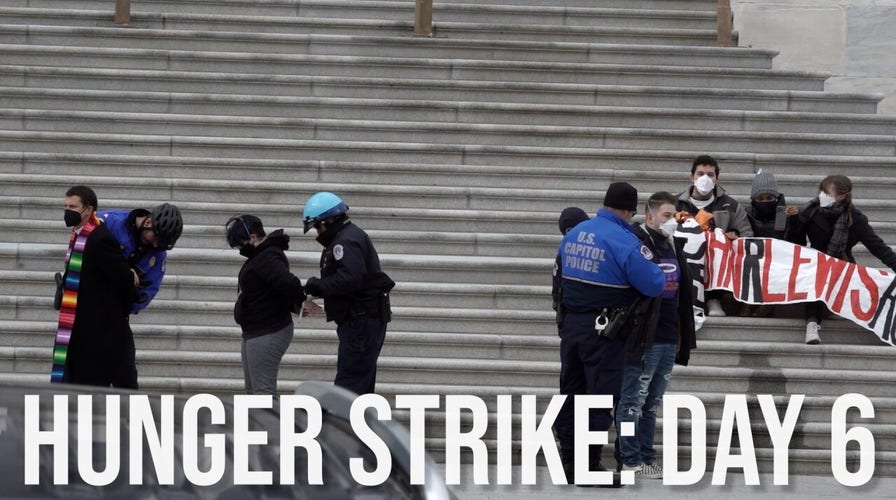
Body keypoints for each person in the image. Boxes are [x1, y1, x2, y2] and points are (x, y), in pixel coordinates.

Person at [553, 182, 666, 487]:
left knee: (572, 394)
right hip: (604, 331)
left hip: (572, 327)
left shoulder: (576, 233)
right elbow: (654, 283)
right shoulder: (624, 240)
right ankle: (588, 465)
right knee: (600, 397)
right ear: (629, 211)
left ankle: (569, 461)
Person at [615, 192, 697, 480]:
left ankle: (646, 457)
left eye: (674, 216)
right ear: (650, 216)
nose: (672, 221)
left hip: (668, 334)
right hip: (643, 336)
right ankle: (630, 459)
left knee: (651, 404)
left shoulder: (673, 244)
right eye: (666, 215)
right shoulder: (636, 243)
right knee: (632, 402)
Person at [301, 192, 395, 395]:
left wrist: (318, 286)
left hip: (360, 322)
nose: (317, 232)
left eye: (317, 226)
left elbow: (350, 279)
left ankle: (343, 418)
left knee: (349, 386)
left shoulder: (344, 242)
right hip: (363, 320)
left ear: (329, 220)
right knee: (360, 385)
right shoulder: (348, 236)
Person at [790, 175, 896, 344]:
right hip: (816, 264)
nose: (822, 195)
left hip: (842, 267)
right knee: (818, 274)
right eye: (822, 191)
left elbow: (878, 247)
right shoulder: (810, 211)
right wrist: (794, 221)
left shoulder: (855, 219)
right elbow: (797, 243)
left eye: (827, 193)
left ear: (841, 196)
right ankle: (812, 323)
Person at [52, 185, 140, 387]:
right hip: (79, 325)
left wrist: (129, 276)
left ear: (88, 210)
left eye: (73, 206)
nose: (67, 211)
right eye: (65, 206)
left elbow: (123, 280)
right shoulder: (78, 234)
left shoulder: (100, 238)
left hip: (98, 331)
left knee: (89, 386)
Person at [226, 215, 306, 395]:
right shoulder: (261, 255)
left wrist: (299, 303)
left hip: (267, 331)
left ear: (253, 237)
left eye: (240, 244)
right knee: (254, 391)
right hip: (255, 331)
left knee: (263, 392)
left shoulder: (268, 256)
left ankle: (269, 416)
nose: (240, 249)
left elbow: (290, 283)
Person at [675, 154, 753, 316]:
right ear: (692, 177)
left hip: (717, 258)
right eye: (700, 174)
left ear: (717, 179)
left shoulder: (730, 205)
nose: (705, 178)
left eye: (710, 175)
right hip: (684, 253)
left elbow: (747, 234)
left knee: (715, 240)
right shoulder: (675, 203)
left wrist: (735, 235)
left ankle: (713, 299)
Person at [99, 203, 183, 314]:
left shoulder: (158, 253)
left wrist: (125, 308)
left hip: (114, 309)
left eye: (162, 243)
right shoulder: (110, 222)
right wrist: (122, 270)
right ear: (148, 223)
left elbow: (149, 289)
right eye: (156, 238)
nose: (156, 245)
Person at [552, 207, 590, 325]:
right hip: (580, 315)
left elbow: (556, 290)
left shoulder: (563, 253)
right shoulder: (589, 251)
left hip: (572, 316)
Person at [745, 170, 799, 239]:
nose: (765, 201)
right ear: (754, 200)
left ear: (776, 198)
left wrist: (794, 220)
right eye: (760, 199)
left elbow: (796, 241)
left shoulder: (786, 215)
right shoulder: (747, 215)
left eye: (769, 198)